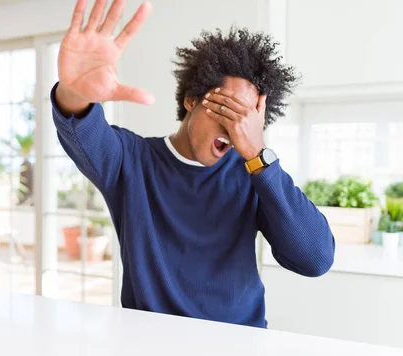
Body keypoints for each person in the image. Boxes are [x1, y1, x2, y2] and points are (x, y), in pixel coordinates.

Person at [51, 0, 335, 328]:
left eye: (248, 122)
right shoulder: (132, 161)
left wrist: (259, 156)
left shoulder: (254, 173)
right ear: (191, 100)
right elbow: (82, 129)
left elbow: (315, 259)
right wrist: (74, 90)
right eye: (227, 111)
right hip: (149, 342)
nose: (235, 130)